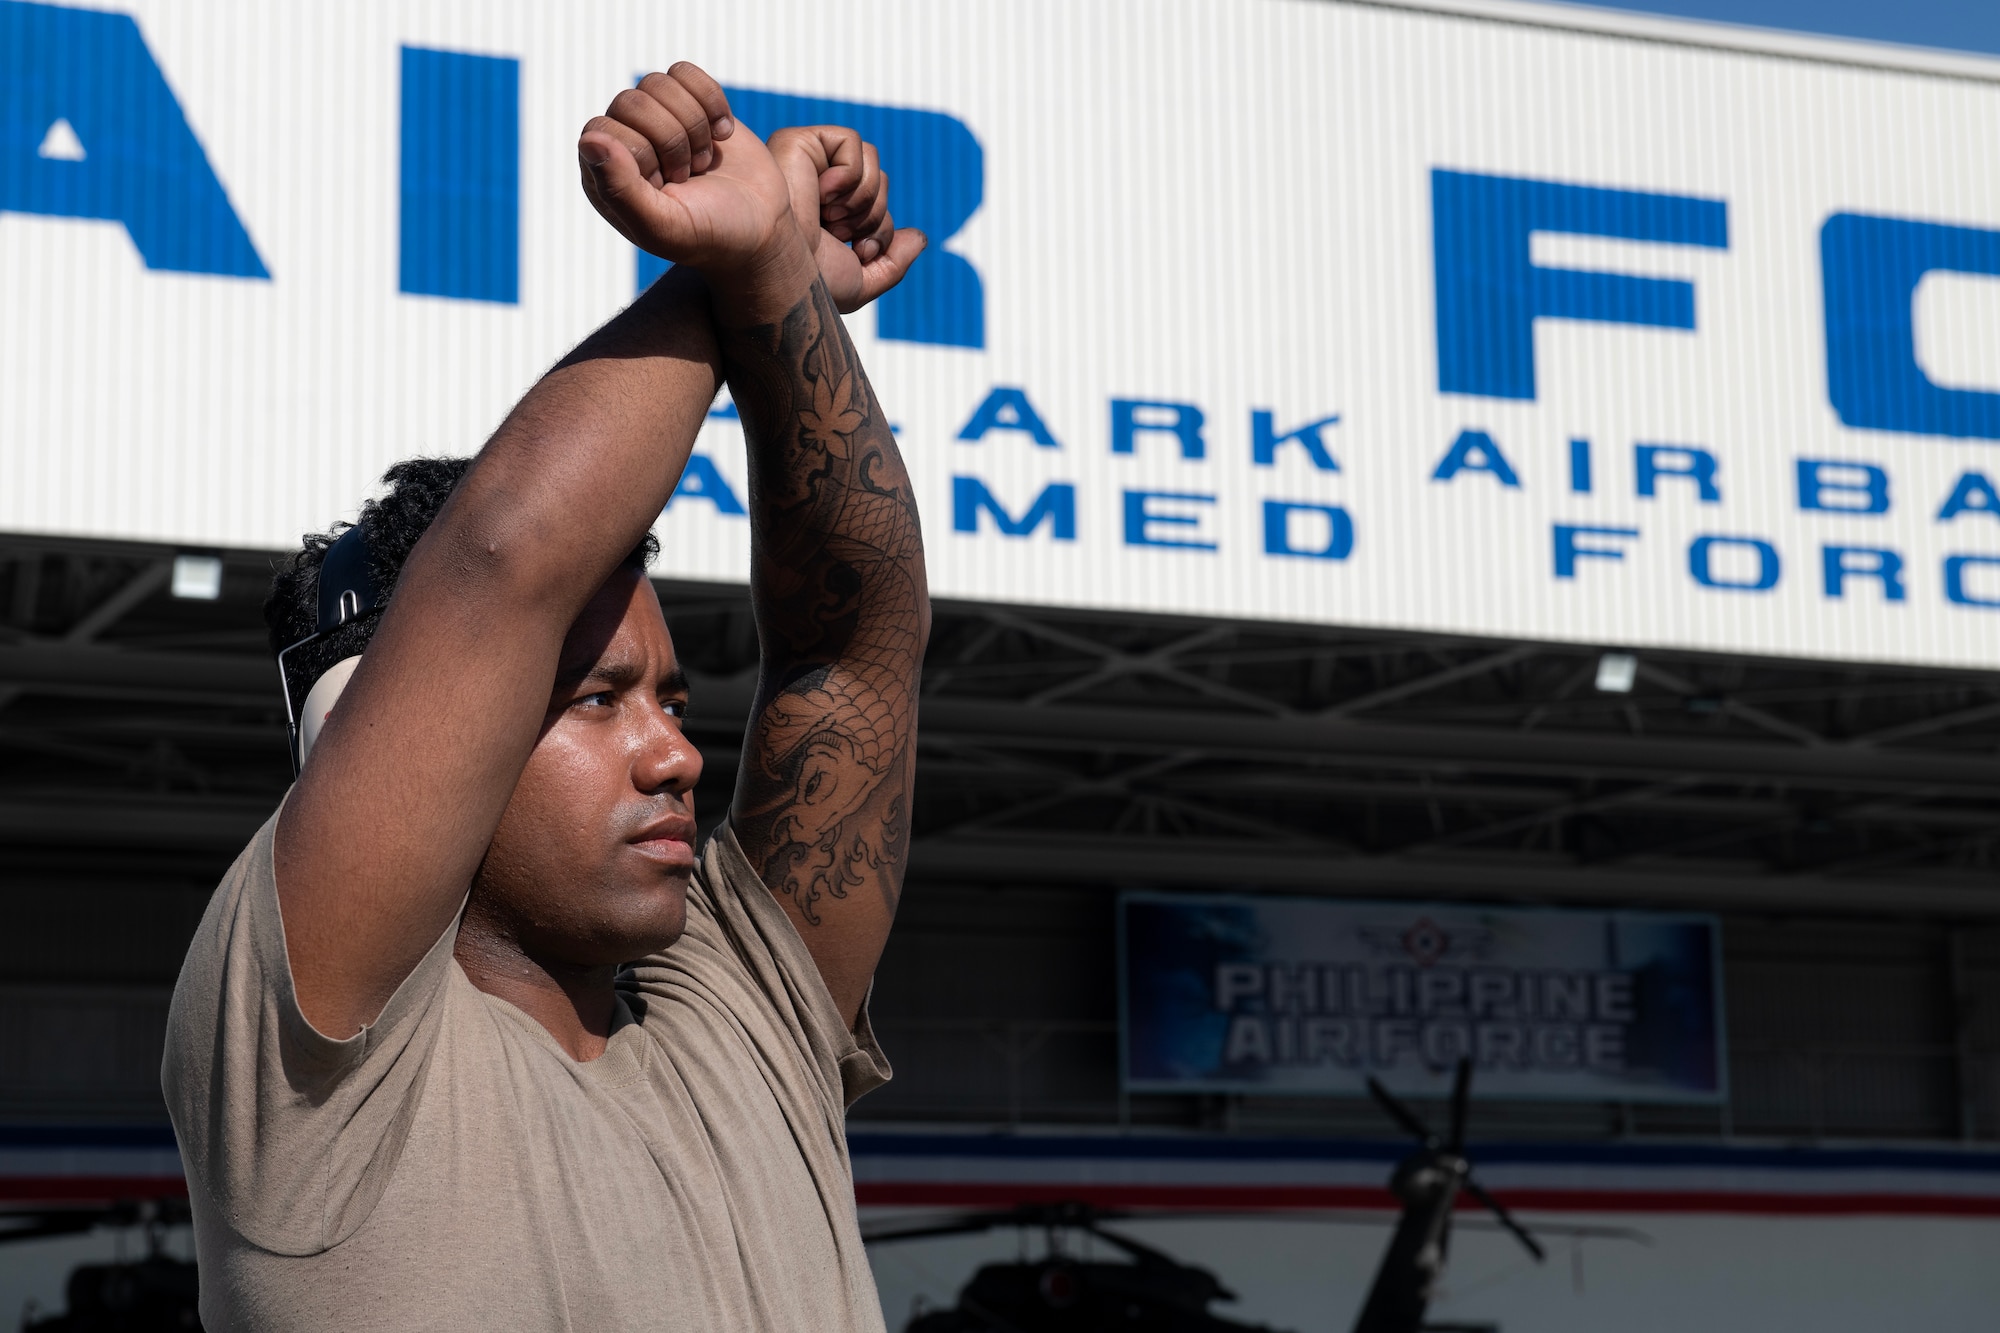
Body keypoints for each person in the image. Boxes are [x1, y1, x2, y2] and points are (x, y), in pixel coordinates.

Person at [162, 63, 929, 1331]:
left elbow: (849, 657)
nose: (674, 756)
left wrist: (784, 293)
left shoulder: (746, 1027)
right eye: (594, 701)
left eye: (673, 703)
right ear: (394, 732)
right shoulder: (315, 1065)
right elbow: (504, 563)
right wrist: (735, 267)